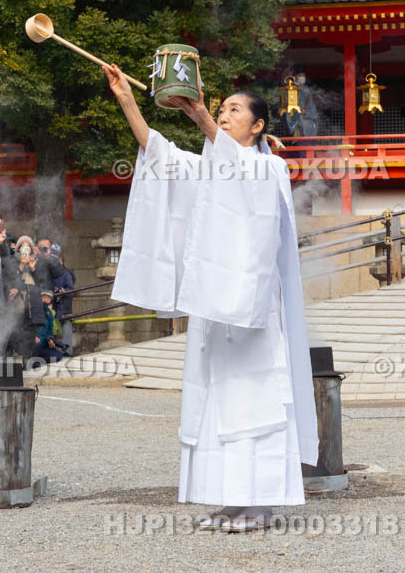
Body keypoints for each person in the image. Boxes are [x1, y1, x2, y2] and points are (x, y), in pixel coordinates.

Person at [105, 62, 318, 531]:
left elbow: (240, 175)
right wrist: (126, 100)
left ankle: (259, 503)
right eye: (221, 109)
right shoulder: (209, 166)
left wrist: (199, 112)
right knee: (215, 400)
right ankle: (229, 498)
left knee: (253, 401)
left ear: (258, 125)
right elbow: (159, 153)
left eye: (234, 110)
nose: (224, 115)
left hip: (253, 310)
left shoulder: (269, 167)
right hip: (214, 306)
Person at [31, 290, 66, 366]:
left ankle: (35, 362)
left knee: (58, 356)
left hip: (43, 344)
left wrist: (51, 342)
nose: (46, 299)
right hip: (33, 343)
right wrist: (33, 336)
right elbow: (27, 326)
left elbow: (50, 331)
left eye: (48, 298)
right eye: (44, 297)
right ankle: (32, 360)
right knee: (37, 345)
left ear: (50, 300)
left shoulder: (49, 313)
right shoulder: (34, 309)